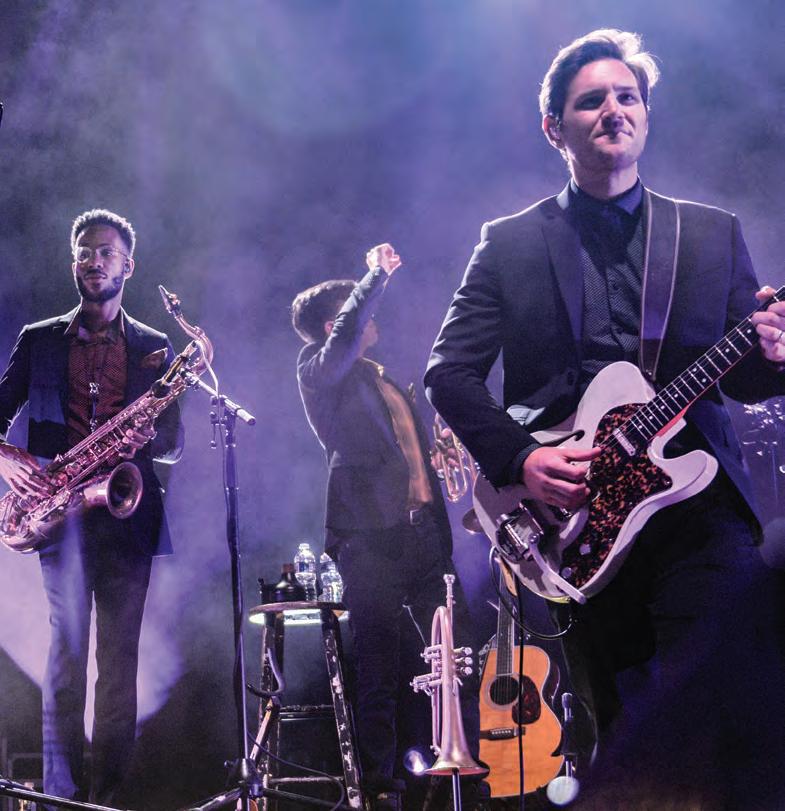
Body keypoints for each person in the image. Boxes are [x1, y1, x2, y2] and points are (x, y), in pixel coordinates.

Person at [424, 29, 785, 809]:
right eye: (591, 101)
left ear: (646, 116)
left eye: (627, 97)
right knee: (621, 740)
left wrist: (773, 353)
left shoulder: (709, 232)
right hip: (577, 525)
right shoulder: (508, 244)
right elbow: (446, 373)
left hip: (697, 510)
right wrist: (520, 459)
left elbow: (748, 377)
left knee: (736, 715)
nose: (613, 110)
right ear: (554, 127)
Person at [292, 245, 486, 811]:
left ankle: (463, 777)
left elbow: (407, 455)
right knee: (378, 668)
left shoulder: (384, 380)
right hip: (369, 540)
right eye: (358, 310)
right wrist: (373, 277)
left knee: (457, 656)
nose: (372, 317)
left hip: (424, 536)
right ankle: (379, 788)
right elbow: (347, 335)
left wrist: (439, 449)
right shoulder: (319, 372)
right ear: (334, 324)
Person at [0, 209, 184, 806]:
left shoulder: (155, 346)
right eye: (84, 251)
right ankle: (62, 796)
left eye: (106, 252)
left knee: (120, 661)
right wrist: (6, 457)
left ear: (128, 265)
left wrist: (150, 436)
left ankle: (110, 797)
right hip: (61, 516)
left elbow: (174, 443)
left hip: (128, 514)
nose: (93, 260)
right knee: (68, 656)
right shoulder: (39, 339)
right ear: (73, 262)